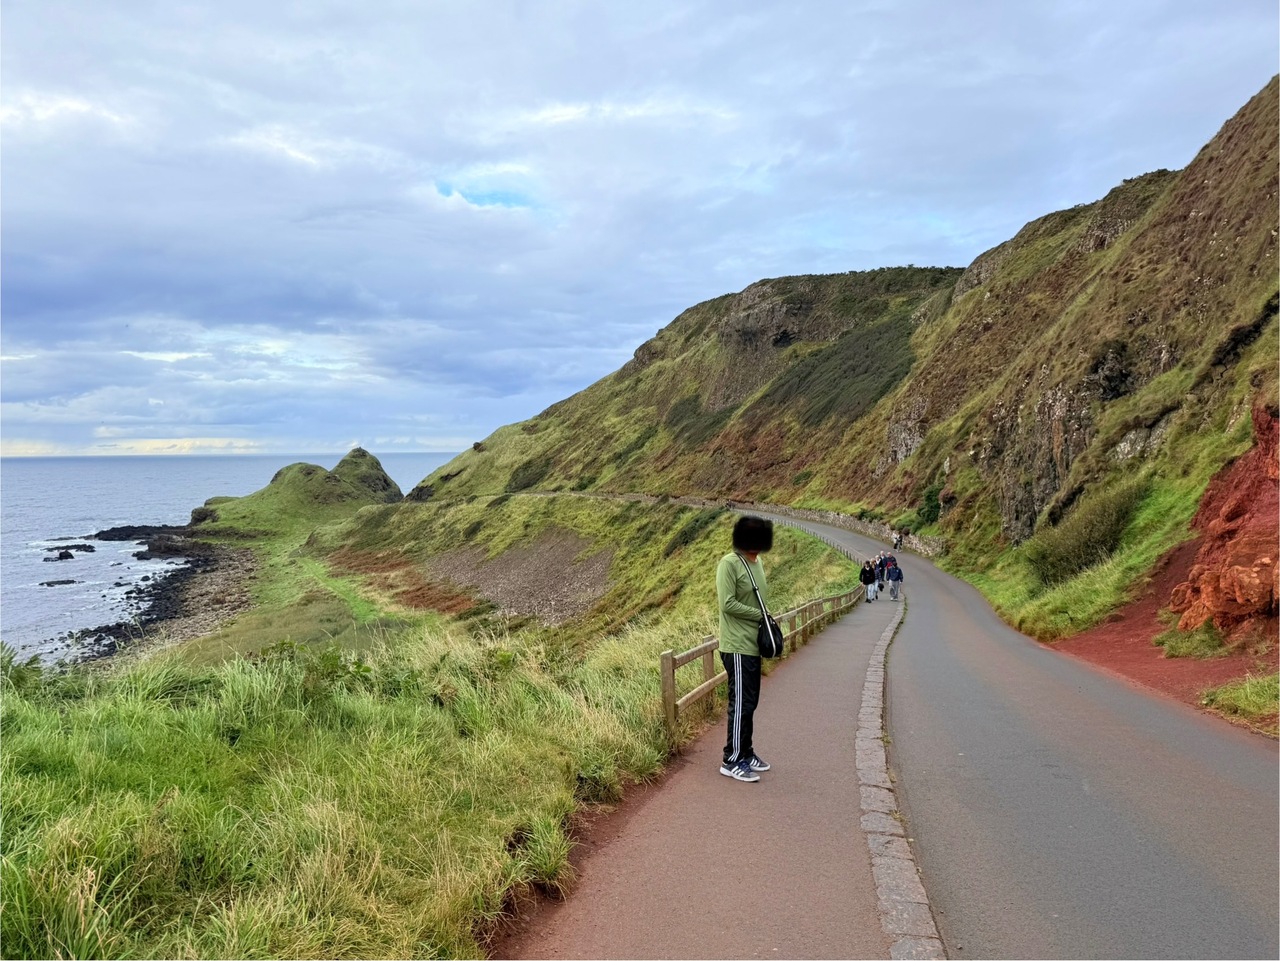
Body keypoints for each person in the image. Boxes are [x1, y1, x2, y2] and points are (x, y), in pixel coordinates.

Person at [715, 515, 775, 783]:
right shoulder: (728, 564)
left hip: (752, 645)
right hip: (736, 645)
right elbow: (727, 603)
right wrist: (759, 615)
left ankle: (746, 753)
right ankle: (732, 759)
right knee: (740, 703)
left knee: (750, 703)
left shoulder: (757, 563)